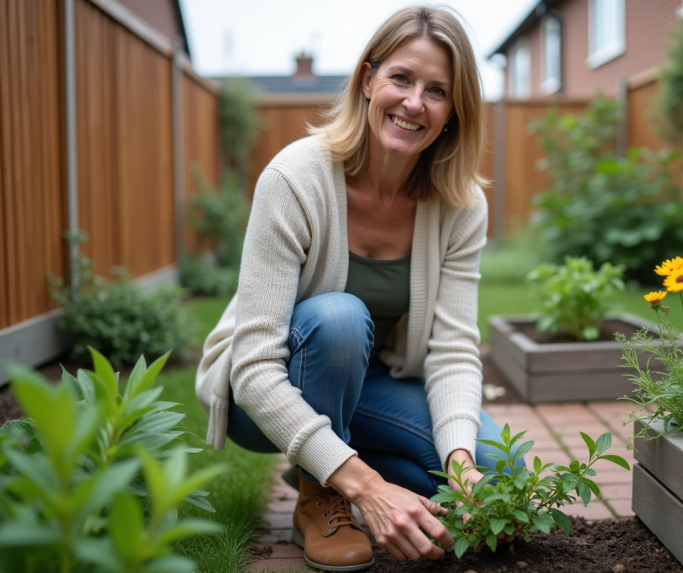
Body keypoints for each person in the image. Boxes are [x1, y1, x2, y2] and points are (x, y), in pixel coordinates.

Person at [195, 6, 521, 571]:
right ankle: (324, 495)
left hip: (377, 382)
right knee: (339, 318)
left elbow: (452, 349)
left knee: (500, 477)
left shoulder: (462, 205)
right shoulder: (294, 179)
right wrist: (368, 488)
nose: (414, 102)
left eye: (438, 90)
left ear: (454, 112)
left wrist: (462, 464)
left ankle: (343, 458)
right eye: (401, 78)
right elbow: (252, 368)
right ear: (368, 81)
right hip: (272, 383)